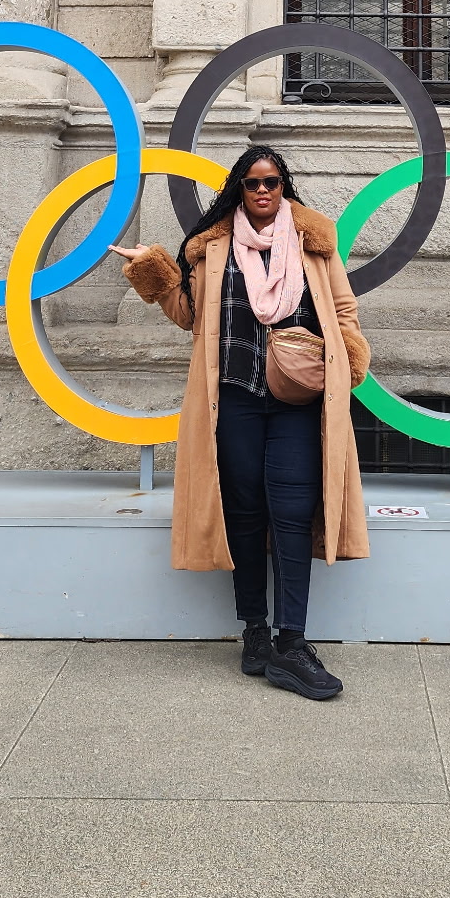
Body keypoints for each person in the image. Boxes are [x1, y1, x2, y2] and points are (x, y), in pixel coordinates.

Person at [113, 146, 371, 700]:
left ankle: (293, 642)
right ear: (238, 189)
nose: (262, 191)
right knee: (245, 512)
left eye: (272, 182)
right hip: (232, 399)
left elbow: (344, 311)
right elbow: (189, 315)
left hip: (298, 402)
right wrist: (153, 271)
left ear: (284, 187)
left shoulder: (314, 243)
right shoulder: (209, 250)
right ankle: (255, 634)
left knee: (294, 513)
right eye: (253, 183)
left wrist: (348, 358)